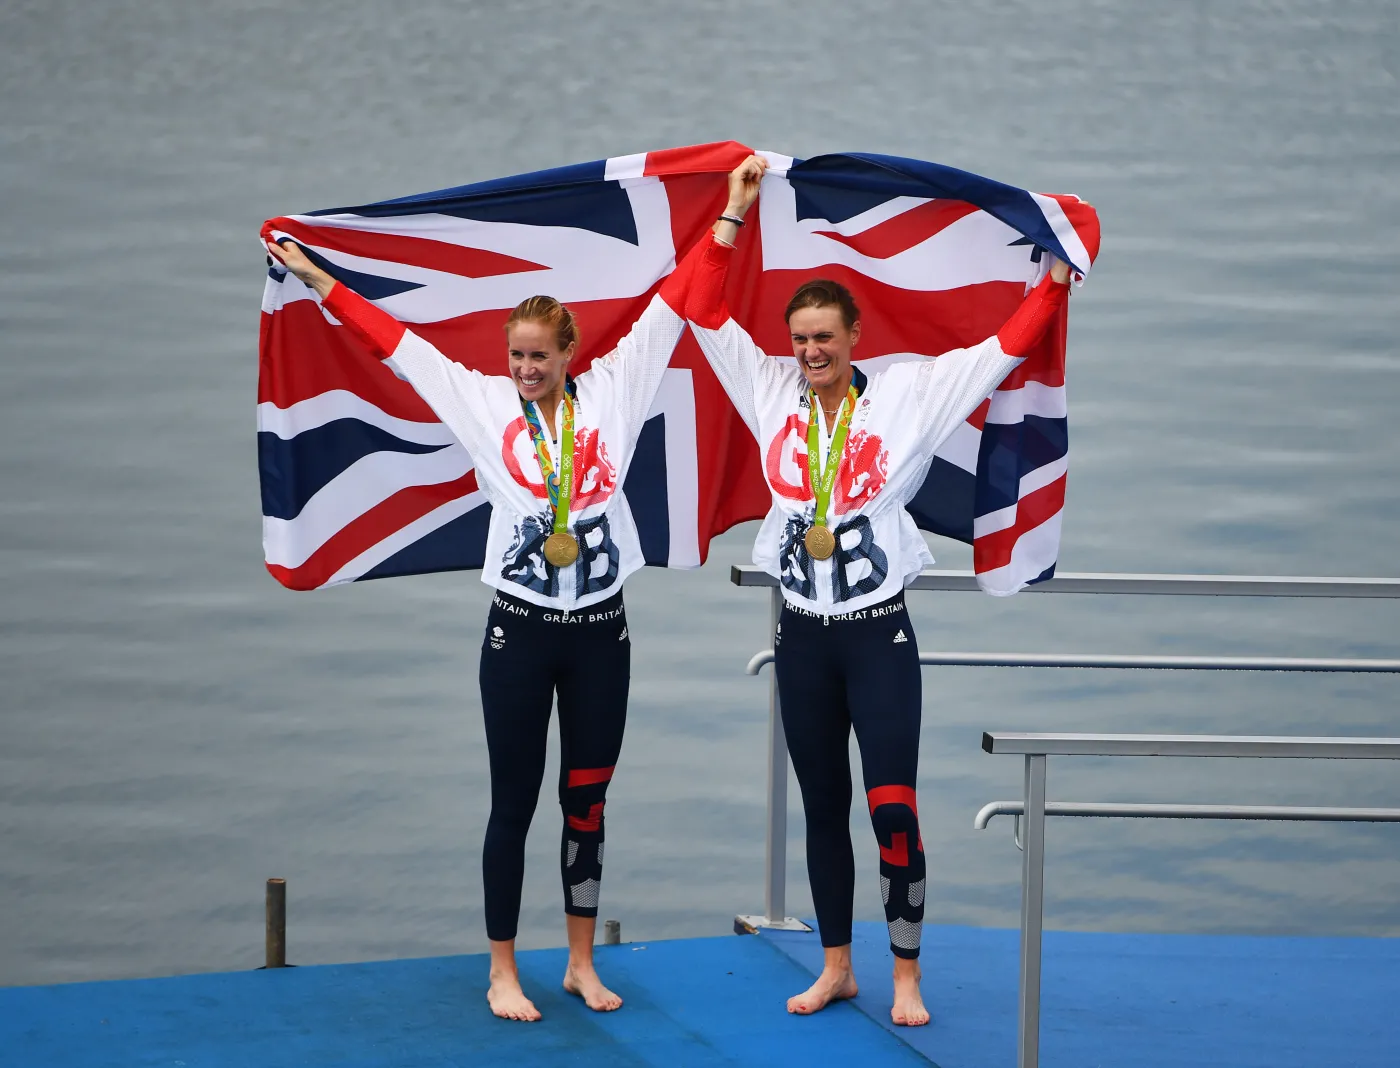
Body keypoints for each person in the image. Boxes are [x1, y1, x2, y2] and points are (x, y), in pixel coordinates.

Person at [266, 232, 706, 1022]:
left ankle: (579, 962)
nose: (526, 370)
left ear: (570, 354)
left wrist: (731, 219)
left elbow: (674, 305)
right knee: (514, 802)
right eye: (517, 356)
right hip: (519, 634)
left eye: (540, 356)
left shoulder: (616, 394)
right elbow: (396, 344)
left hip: (602, 631)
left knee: (588, 803)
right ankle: (502, 968)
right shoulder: (482, 402)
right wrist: (314, 276)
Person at [687, 156, 1076, 1027]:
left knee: (890, 804)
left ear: (854, 336)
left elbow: (997, 352)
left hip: (878, 635)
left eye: (826, 337)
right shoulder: (770, 392)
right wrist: (733, 214)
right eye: (801, 340)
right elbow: (702, 311)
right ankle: (836, 969)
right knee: (822, 806)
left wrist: (1052, 281)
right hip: (803, 636)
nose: (812, 353)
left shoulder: (905, 398)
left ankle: (905, 974)